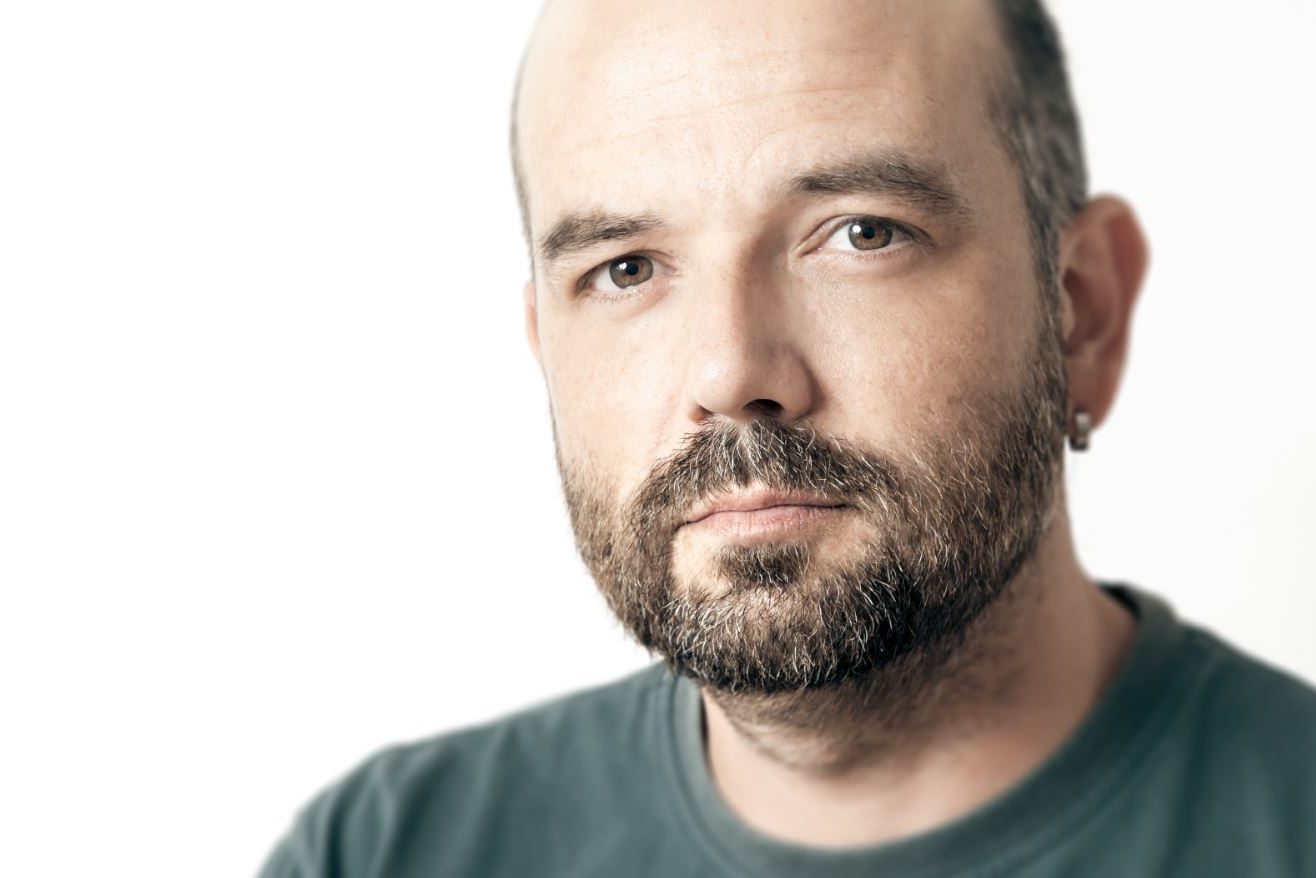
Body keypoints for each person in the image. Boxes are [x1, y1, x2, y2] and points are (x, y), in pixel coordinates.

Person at [258, 0, 1316, 875]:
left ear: (1081, 311)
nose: (730, 375)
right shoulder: (382, 853)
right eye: (625, 269)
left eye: (862, 233)